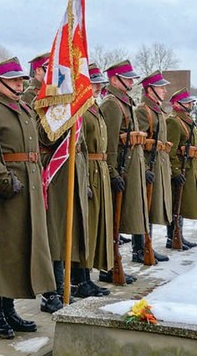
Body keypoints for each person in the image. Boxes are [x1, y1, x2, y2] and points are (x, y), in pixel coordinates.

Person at [0, 57, 56, 338]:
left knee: (18, 250)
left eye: (21, 79)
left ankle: (8, 309)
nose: (20, 84)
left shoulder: (23, 108)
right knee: (2, 252)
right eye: (13, 79)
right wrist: (2, 179)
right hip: (6, 190)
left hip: (28, 187)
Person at [38, 88, 90, 311]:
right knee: (54, 235)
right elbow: (45, 136)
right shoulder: (43, 103)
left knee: (64, 235)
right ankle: (51, 292)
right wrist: (63, 110)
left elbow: (83, 147)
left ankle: (63, 287)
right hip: (55, 174)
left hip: (71, 171)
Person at [99, 59, 147, 284]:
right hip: (117, 168)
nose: (131, 81)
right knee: (112, 223)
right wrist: (111, 172)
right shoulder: (111, 103)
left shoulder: (124, 101)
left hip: (126, 167)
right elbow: (107, 142)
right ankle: (108, 267)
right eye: (126, 78)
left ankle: (113, 264)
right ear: (114, 79)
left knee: (118, 223)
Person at [78, 63, 113, 296]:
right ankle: (80, 279)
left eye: (99, 83)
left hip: (99, 168)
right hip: (88, 168)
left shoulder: (94, 107)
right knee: (86, 227)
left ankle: (87, 275)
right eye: (94, 82)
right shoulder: (80, 108)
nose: (98, 86)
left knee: (97, 225)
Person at [134, 70, 172, 263]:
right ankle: (139, 248)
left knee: (151, 207)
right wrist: (145, 169)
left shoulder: (157, 110)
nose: (165, 90)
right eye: (160, 87)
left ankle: (147, 245)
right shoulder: (143, 110)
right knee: (144, 207)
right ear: (150, 90)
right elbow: (139, 141)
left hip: (158, 163)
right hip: (149, 163)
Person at [166, 89, 197, 249]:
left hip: (188, 167)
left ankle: (179, 235)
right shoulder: (174, 121)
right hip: (180, 169)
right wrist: (175, 172)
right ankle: (172, 237)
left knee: (182, 205)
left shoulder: (186, 119)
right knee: (177, 203)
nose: (191, 104)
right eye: (187, 102)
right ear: (176, 104)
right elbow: (171, 150)